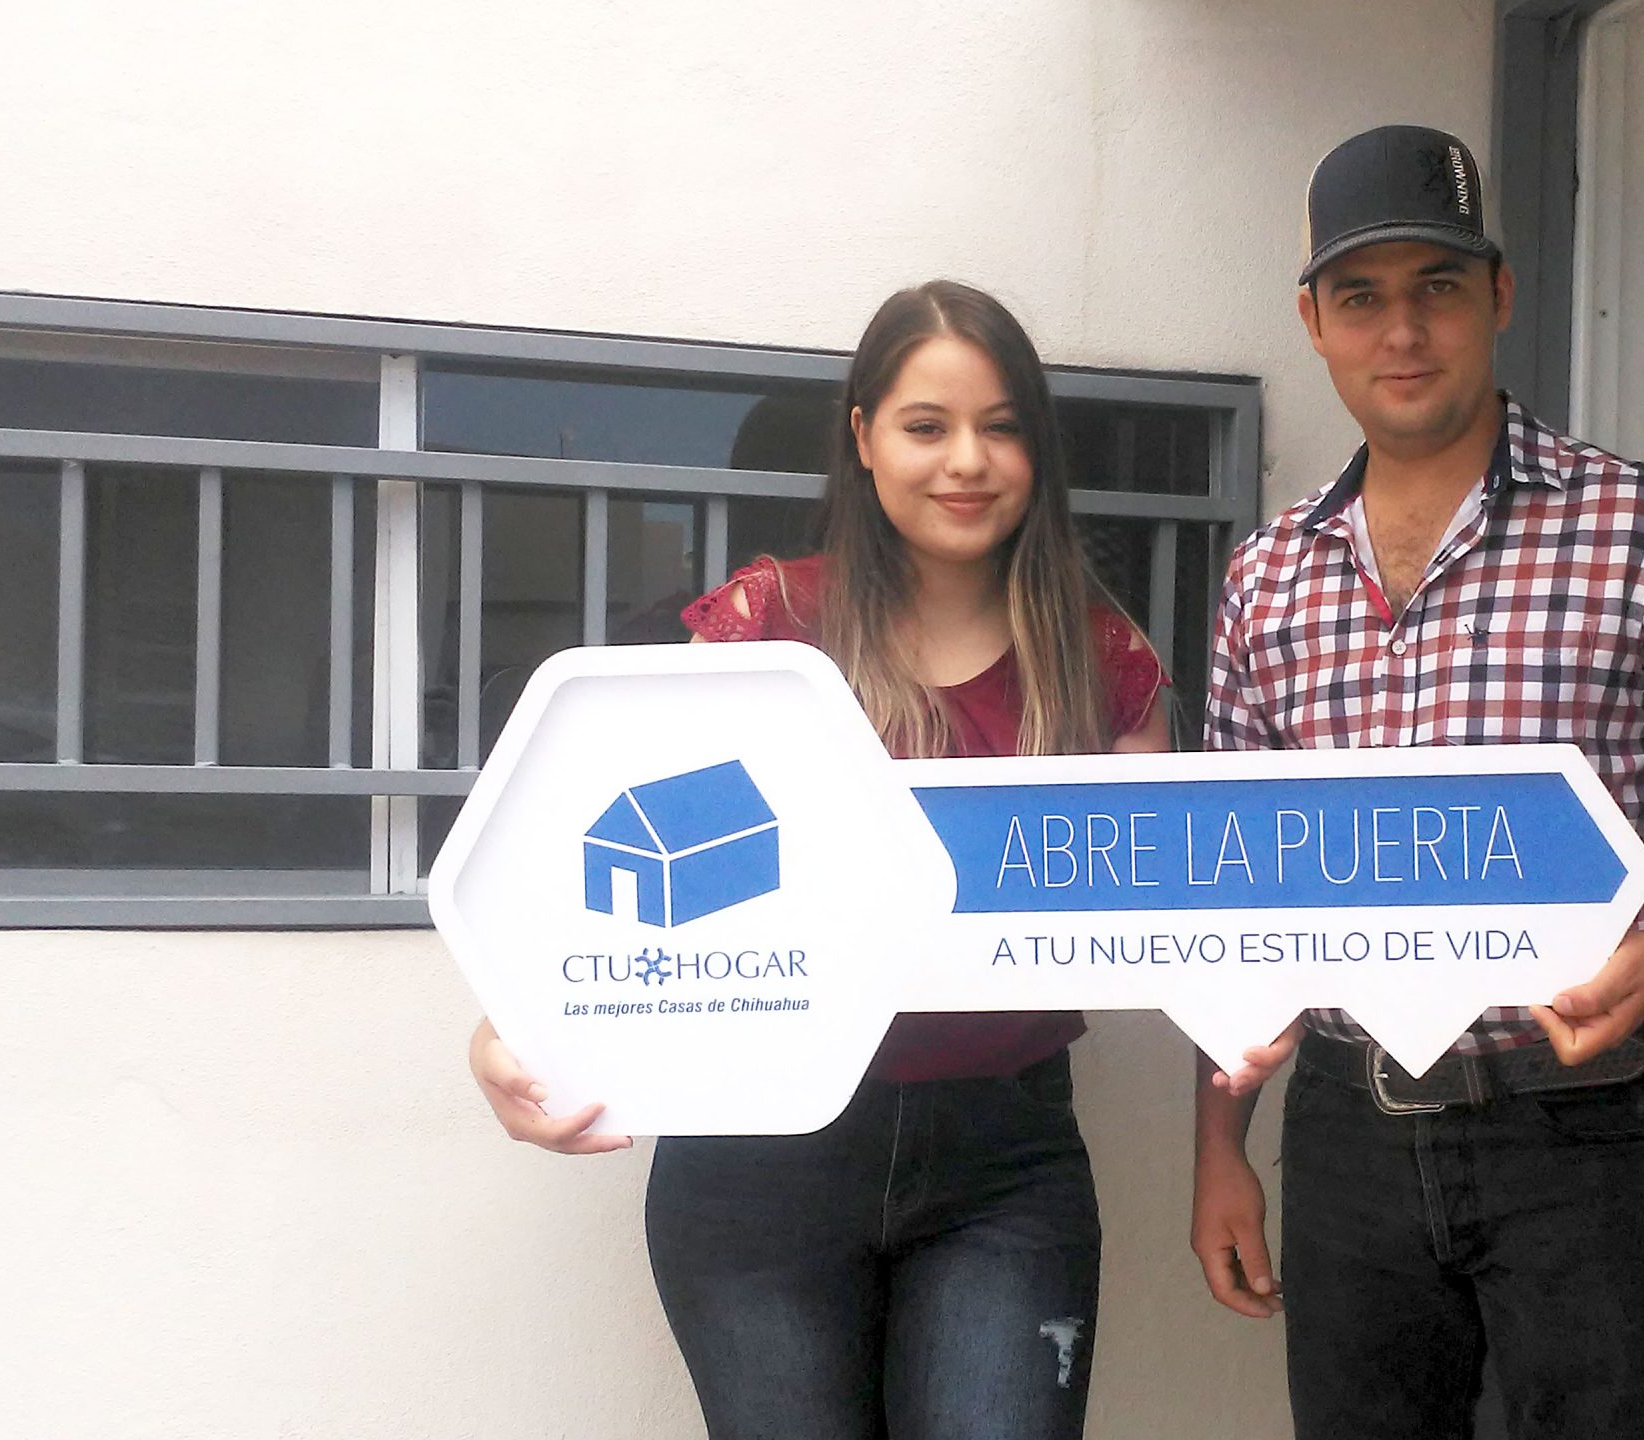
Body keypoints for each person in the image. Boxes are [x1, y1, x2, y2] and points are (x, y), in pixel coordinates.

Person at [1189, 125, 1644, 1438]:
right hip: (1348, 1138)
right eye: (1364, 297)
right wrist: (1218, 1152)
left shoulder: (1641, 525)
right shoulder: (1267, 577)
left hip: (1582, 1130)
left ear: (1497, 297)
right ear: (1314, 320)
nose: (1405, 331)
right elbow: (1233, 877)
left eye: (1438, 285)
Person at [464, 280, 1171, 1440]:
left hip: (1005, 1163)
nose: (967, 461)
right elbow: (595, 824)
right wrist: (514, 1022)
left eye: (1001, 425)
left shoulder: (1101, 659)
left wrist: (1267, 982)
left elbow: (1186, 902)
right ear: (863, 435)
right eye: (926, 425)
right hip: (759, 1159)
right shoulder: (761, 628)